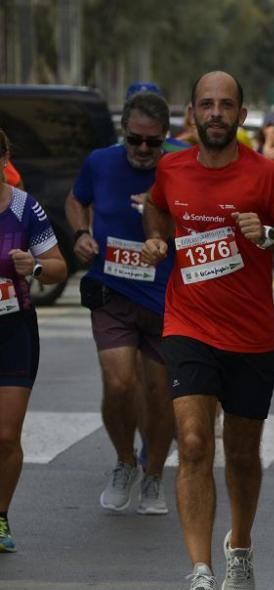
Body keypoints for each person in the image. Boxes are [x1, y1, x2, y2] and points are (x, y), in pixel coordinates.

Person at [140, 71, 274, 590]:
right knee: (194, 442)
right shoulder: (171, 167)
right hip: (188, 326)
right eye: (205, 105)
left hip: (250, 336)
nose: (215, 113)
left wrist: (267, 236)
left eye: (226, 105)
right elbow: (156, 206)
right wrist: (155, 236)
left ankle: (239, 545)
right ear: (192, 114)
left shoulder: (267, 177)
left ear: (243, 115)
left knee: (241, 452)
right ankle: (200, 573)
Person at [66, 90, 176, 515]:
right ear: (123, 134)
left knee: (159, 394)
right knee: (119, 384)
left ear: (165, 138)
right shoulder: (99, 162)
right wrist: (80, 234)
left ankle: (153, 476)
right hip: (112, 292)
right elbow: (77, 200)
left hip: (165, 297)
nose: (144, 150)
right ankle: (125, 461)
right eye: (136, 140)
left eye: (153, 141)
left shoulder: (177, 170)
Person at [0, 128, 68, 553]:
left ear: (4, 156)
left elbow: (59, 266)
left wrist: (35, 269)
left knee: (6, 435)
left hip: (13, 329)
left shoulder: (26, 209)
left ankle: (0, 516)